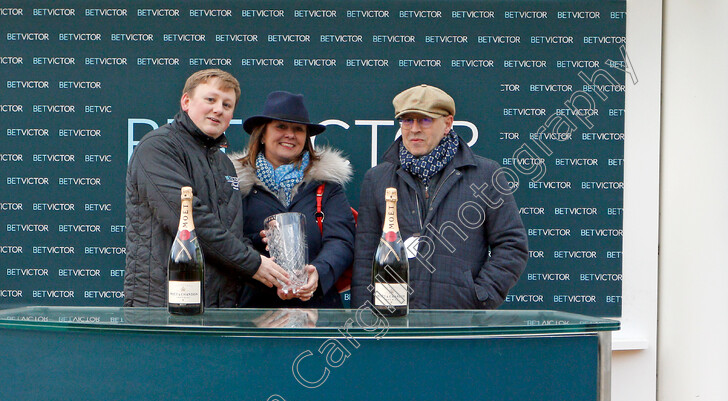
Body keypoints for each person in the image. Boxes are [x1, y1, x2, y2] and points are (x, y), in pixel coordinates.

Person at [351, 84, 528, 310]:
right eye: (407, 120)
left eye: (425, 120)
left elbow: (512, 245)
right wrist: (365, 315)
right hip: (393, 324)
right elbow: (365, 255)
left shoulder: (486, 175)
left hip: (460, 325)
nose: (414, 129)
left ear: (448, 123)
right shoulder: (376, 179)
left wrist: (480, 296)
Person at [124, 69, 289, 307]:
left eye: (227, 104)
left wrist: (276, 271)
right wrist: (254, 264)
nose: (219, 109)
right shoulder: (157, 148)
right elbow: (191, 221)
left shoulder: (224, 164)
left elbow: (229, 234)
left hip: (218, 309)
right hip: (164, 309)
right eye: (210, 100)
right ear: (186, 101)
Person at [231, 91, 356, 307]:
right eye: (280, 127)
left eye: (298, 129)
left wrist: (319, 271)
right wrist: (257, 242)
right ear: (262, 135)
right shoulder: (236, 185)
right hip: (255, 312)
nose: (290, 134)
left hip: (318, 310)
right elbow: (226, 243)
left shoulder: (326, 185)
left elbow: (342, 240)